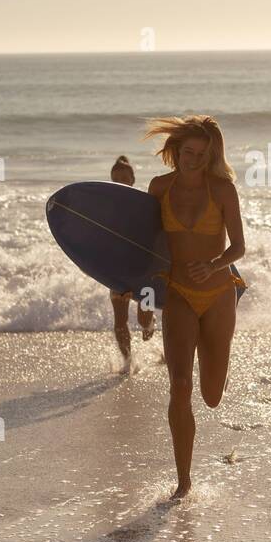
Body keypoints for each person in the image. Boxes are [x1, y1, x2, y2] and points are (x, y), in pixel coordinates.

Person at [144, 116, 246, 498]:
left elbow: (238, 247)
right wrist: (141, 295)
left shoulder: (222, 190)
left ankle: (212, 347)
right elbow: (146, 247)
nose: (193, 160)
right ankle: (184, 480)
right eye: (188, 152)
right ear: (175, 151)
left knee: (212, 395)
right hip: (178, 294)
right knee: (180, 386)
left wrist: (215, 264)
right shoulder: (158, 188)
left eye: (202, 155)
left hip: (219, 295)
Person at [107, 155, 156, 372]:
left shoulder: (143, 204)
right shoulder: (106, 208)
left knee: (144, 320)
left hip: (143, 269)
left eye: (124, 179)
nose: (120, 182)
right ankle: (127, 362)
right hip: (117, 268)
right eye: (116, 179)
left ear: (133, 179)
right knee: (120, 320)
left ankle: (151, 322)